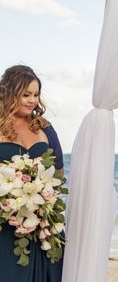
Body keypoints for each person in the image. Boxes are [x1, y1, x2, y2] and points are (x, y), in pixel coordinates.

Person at [0, 65, 64, 281]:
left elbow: (58, 175)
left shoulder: (45, 128)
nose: (32, 100)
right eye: (25, 94)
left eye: (36, 95)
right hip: (5, 226)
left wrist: (42, 195)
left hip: (43, 226)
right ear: (9, 93)